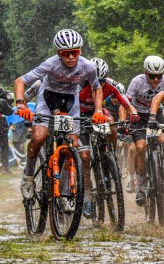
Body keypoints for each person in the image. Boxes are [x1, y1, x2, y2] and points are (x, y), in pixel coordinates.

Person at [14, 29, 106, 207]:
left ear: (80, 51)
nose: (71, 57)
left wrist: (99, 110)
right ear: (59, 54)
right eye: (66, 53)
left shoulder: (87, 66)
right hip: (48, 99)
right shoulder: (50, 64)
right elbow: (20, 81)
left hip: (70, 102)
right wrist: (20, 104)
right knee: (39, 136)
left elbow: (97, 87)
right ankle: (28, 175)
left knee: (73, 146)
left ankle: (64, 192)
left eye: (75, 52)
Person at [79, 57, 137, 217]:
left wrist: (134, 113)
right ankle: (88, 196)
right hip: (80, 114)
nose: (98, 85)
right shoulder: (78, 85)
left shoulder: (112, 85)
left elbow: (126, 102)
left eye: (101, 81)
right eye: (93, 81)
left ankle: (110, 153)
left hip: (98, 114)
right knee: (84, 157)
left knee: (111, 121)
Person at [126, 56, 164, 205]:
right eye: (152, 76)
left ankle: (163, 169)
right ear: (145, 73)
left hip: (157, 113)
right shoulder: (137, 82)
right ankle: (140, 186)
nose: (156, 80)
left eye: (159, 76)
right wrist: (127, 117)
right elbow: (125, 102)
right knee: (140, 147)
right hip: (138, 115)